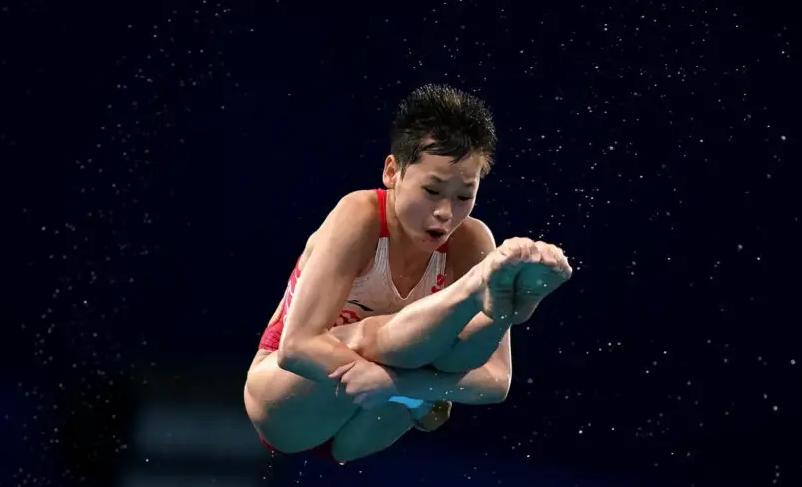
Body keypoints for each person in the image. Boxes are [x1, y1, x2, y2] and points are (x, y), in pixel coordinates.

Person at [243, 84, 572, 464]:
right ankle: (473, 295)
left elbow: (496, 381)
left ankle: (501, 311)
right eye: (432, 190)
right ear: (392, 172)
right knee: (382, 337)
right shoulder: (360, 215)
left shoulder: (472, 240)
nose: (445, 212)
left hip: (369, 424)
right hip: (288, 403)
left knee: (441, 348)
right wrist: (406, 388)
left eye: (464, 196)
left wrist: (395, 385)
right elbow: (297, 348)